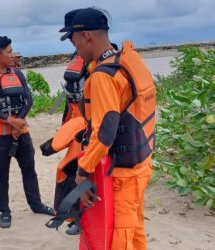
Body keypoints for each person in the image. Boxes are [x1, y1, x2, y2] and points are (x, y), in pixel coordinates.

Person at [61, 8, 156, 250]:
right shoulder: (127, 62)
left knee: (119, 239)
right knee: (134, 231)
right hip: (141, 166)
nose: (76, 50)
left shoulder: (103, 76)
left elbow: (105, 133)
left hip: (121, 175)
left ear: (86, 36)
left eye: (73, 40)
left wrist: (83, 171)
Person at [0, 36, 54, 228]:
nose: (13, 55)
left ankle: (36, 204)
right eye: (9, 52)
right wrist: (9, 121)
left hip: (22, 133)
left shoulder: (17, 73)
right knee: (1, 174)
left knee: (29, 169)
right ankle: (4, 211)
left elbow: (28, 99)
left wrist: (19, 122)